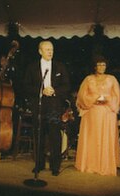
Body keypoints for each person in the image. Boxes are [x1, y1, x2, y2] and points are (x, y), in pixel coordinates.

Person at [24, 40, 70, 176]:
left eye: (52, 49)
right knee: (39, 134)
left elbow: (67, 86)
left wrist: (54, 90)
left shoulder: (60, 67)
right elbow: (26, 86)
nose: (50, 52)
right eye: (47, 49)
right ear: (40, 51)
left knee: (55, 135)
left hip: (54, 106)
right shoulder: (32, 67)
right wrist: (41, 90)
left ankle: (55, 166)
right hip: (39, 105)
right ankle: (39, 164)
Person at [75, 56, 120, 176]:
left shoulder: (112, 79)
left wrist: (107, 99)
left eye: (104, 65)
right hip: (92, 112)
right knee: (92, 137)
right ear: (95, 66)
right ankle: (90, 164)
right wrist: (93, 99)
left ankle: (105, 165)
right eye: (99, 64)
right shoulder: (88, 79)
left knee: (106, 137)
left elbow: (117, 97)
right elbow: (81, 96)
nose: (102, 67)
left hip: (107, 112)